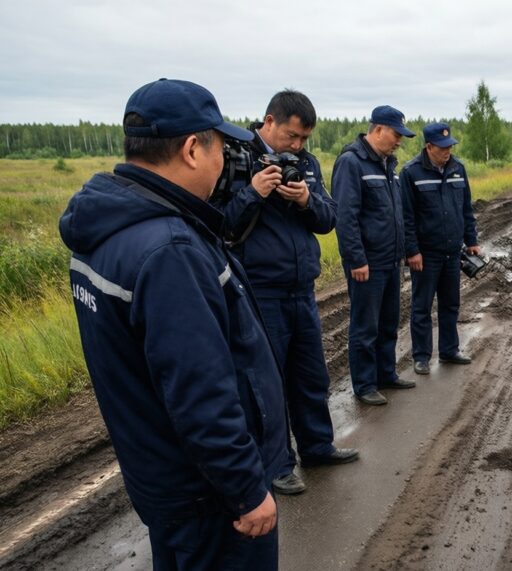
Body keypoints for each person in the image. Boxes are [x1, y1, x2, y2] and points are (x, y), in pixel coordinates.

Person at [59, 78, 287, 569]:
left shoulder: (104, 227)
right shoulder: (169, 250)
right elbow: (198, 389)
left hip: (163, 479)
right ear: (190, 149)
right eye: (220, 148)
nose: (225, 161)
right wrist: (246, 490)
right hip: (209, 498)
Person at [217, 90, 357, 496]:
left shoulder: (306, 164)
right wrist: (254, 192)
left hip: (301, 287)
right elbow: (219, 224)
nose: (297, 146)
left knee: (310, 374)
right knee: (268, 381)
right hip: (259, 290)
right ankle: (276, 464)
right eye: (292, 137)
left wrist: (306, 200)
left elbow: (329, 219)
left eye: (303, 140)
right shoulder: (236, 158)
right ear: (269, 121)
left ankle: (317, 446)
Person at [332, 106, 418, 406]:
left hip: (390, 260)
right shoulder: (351, 163)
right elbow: (346, 217)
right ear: (378, 129)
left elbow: (395, 215)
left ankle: (386, 374)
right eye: (396, 134)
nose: (399, 141)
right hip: (366, 263)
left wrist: (405, 251)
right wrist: (356, 259)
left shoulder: (387, 165)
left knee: (388, 322)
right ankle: (365, 384)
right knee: (365, 326)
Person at [399, 123, 480, 375]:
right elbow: (407, 217)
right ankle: (421, 356)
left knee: (450, 304)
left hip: (452, 251)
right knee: (422, 306)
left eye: (450, 146)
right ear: (429, 146)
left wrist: (472, 240)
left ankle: (449, 350)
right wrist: (412, 251)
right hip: (426, 254)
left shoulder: (458, 169)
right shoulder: (411, 173)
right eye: (443, 147)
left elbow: (466, 209)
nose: (448, 151)